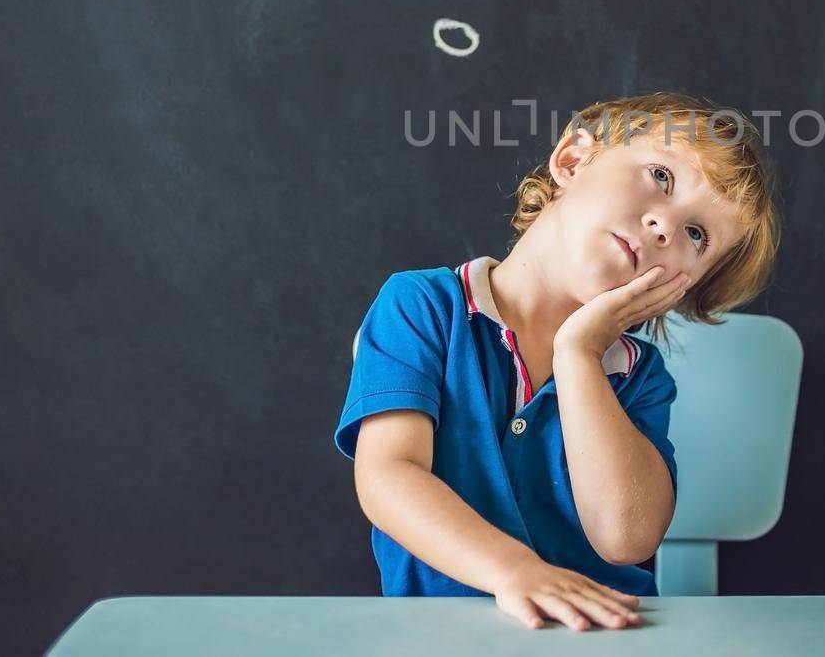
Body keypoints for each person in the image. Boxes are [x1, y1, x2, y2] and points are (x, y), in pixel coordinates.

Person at [333, 91, 783, 630]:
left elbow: (625, 538)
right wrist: (515, 572)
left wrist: (579, 355)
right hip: (443, 634)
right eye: (662, 176)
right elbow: (388, 474)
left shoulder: (638, 377)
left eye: (695, 234)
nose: (666, 227)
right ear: (572, 160)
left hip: (606, 636)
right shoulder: (423, 306)